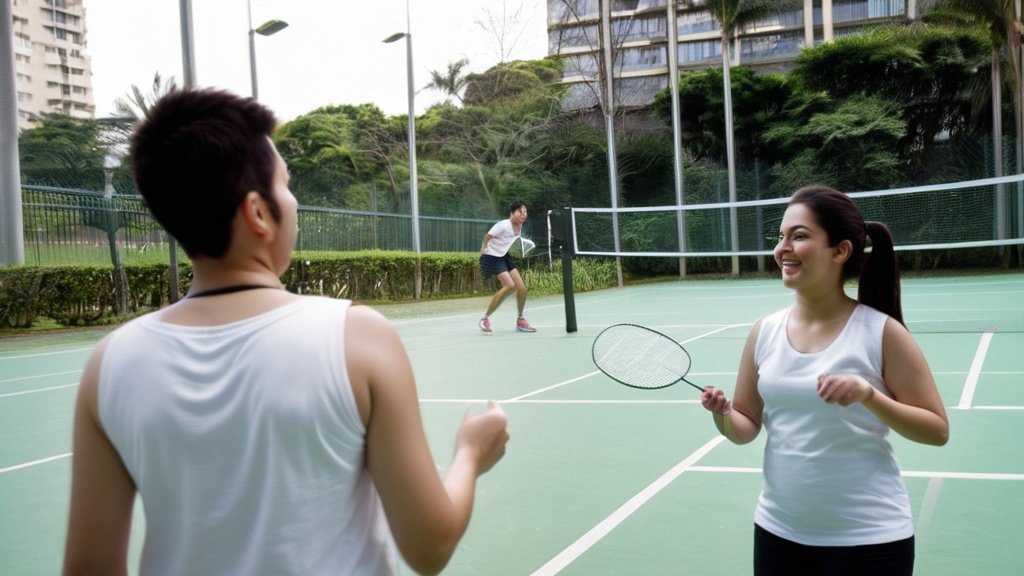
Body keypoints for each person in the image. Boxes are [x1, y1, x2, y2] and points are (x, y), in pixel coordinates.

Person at [62, 87, 510, 576]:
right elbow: (430, 546)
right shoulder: (357, 337)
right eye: (285, 185)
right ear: (257, 212)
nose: (293, 202)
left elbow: (88, 567)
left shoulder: (108, 364)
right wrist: (470, 453)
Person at [700, 185, 949, 576]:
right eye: (781, 236)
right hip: (778, 533)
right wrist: (724, 413)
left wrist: (869, 396)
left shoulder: (881, 332)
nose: (783, 247)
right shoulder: (763, 332)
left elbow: (937, 430)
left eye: (799, 236)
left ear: (841, 250)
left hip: (870, 541)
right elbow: (746, 426)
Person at [478, 201, 536, 333]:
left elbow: (511, 242)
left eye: (525, 212)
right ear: (512, 213)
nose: (523, 214)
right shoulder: (503, 225)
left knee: (521, 288)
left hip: (504, 256)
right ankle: (485, 319)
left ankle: (520, 320)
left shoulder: (520, 225)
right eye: (520, 212)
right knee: (510, 286)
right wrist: (483, 248)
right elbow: (487, 236)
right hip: (492, 256)